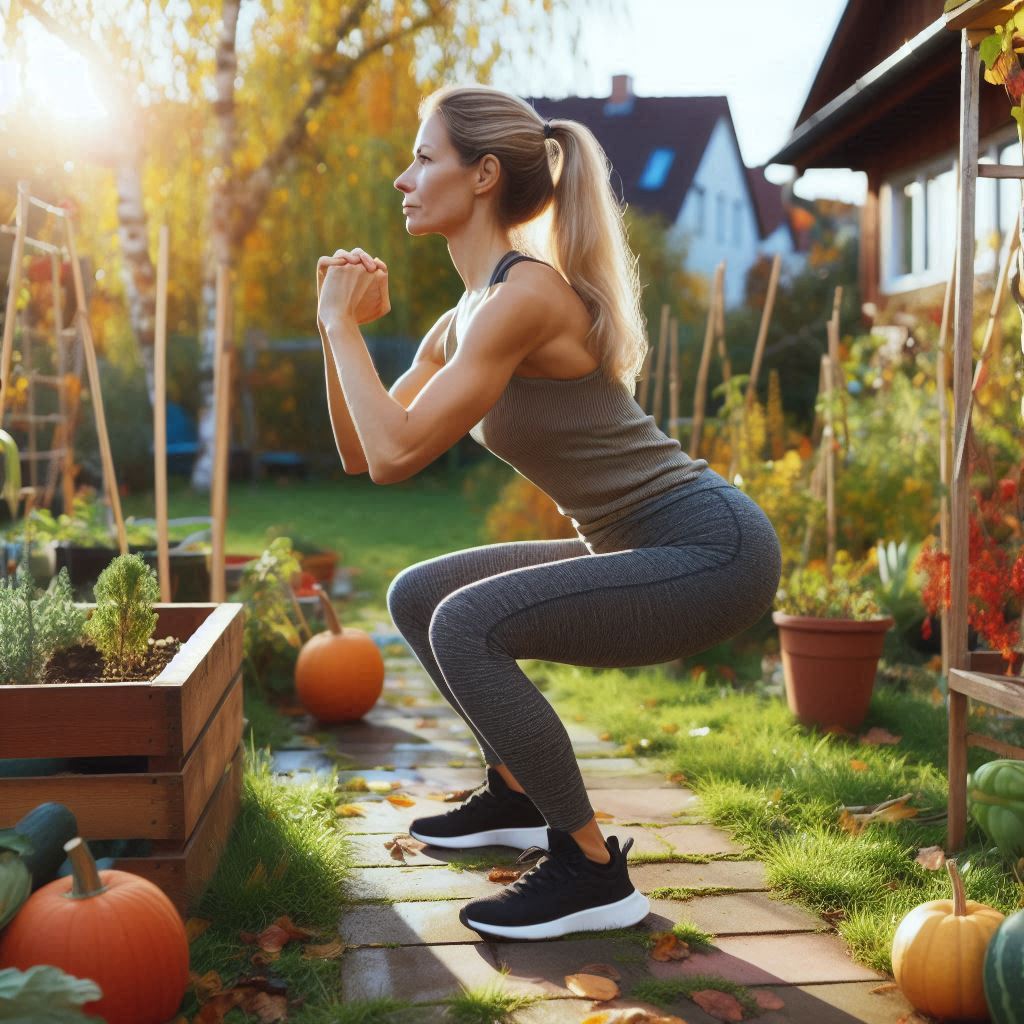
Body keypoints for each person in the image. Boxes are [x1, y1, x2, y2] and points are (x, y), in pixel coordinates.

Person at [314, 83, 782, 942]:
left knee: (465, 624)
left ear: (484, 174)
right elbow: (363, 454)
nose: (401, 178)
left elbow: (394, 451)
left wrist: (344, 332)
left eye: (424, 158)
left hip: (712, 546)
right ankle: (516, 794)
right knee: (418, 594)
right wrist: (332, 329)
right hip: (636, 547)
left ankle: (591, 869)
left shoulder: (523, 296)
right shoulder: (465, 315)